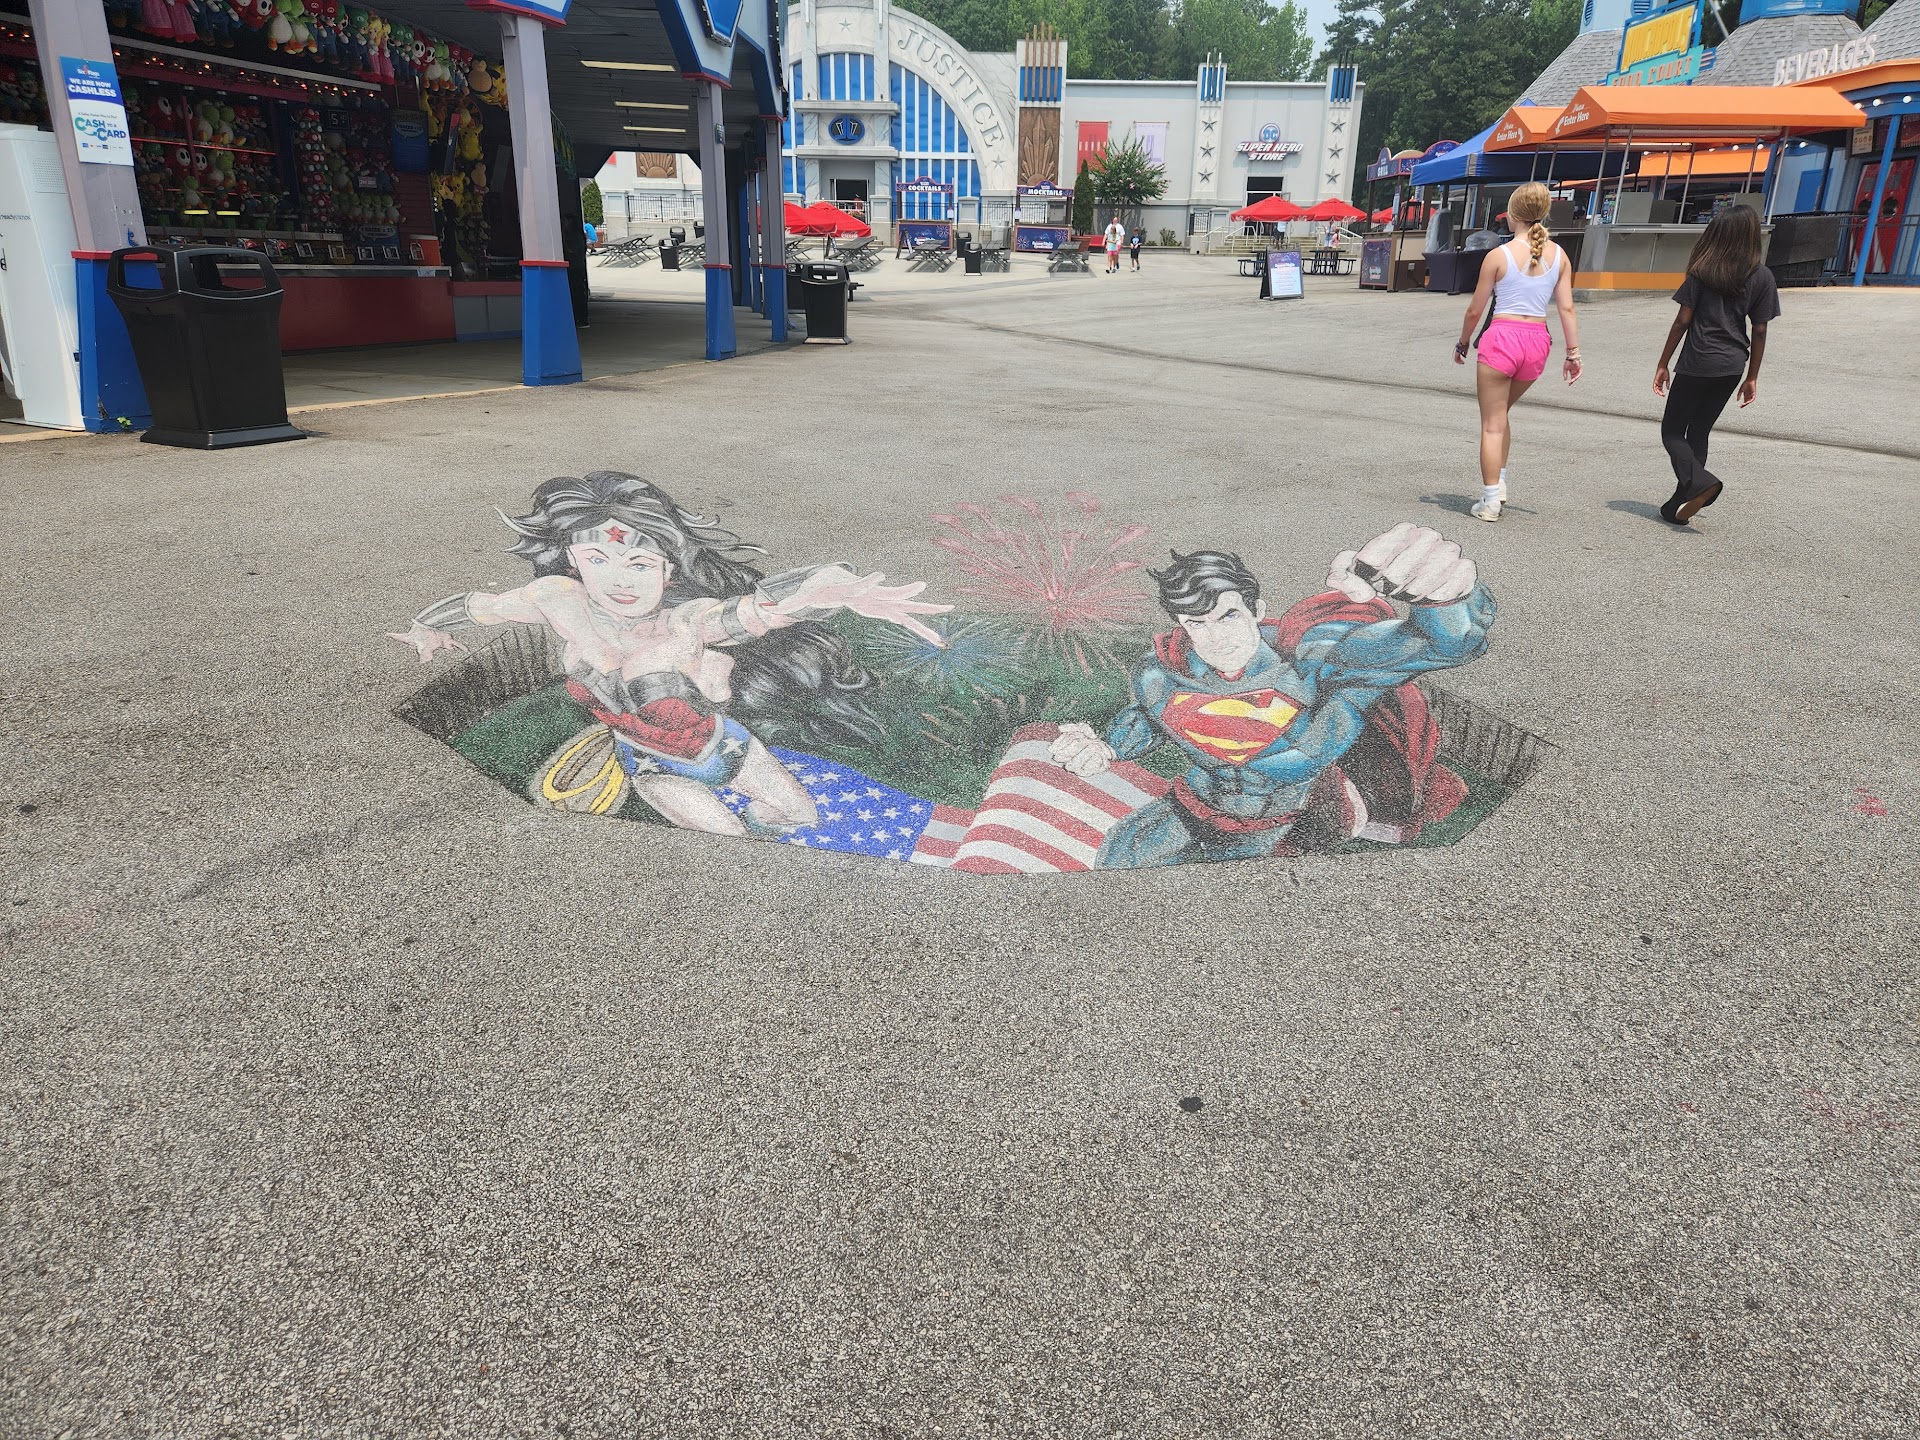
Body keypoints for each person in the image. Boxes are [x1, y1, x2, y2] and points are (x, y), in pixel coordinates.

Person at [389, 472, 948, 837]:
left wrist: (828, 586)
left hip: (729, 751)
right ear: (573, 560)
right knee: (729, 846)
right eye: (598, 559)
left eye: (639, 563)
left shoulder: (686, 622)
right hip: (651, 768)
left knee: (799, 819)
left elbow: (760, 607)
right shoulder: (556, 600)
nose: (619, 580)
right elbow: (477, 605)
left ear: (667, 569)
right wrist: (423, 626)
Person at [1049, 525, 1494, 867]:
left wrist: (1445, 601)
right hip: (1193, 806)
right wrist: (1106, 746)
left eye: (1227, 616)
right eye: (1196, 623)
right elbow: (1149, 718)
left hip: (1284, 823)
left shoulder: (1316, 660)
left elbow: (1438, 645)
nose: (1215, 638)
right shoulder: (1167, 671)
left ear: (1256, 610)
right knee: (1119, 858)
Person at [1453, 182, 1583, 523]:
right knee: (1502, 414)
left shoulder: (1499, 256)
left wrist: (1463, 342)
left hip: (1502, 340)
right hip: (1537, 342)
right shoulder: (1560, 256)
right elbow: (1567, 308)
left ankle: (1490, 500)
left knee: (1492, 424)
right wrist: (1573, 353)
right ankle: (1501, 482)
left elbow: (1475, 310)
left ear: (1513, 215)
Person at [1652, 206, 1779, 526]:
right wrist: (1752, 377)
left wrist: (1663, 362)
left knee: (1672, 432)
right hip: (1732, 366)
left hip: (1698, 360)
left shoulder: (1702, 271)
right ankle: (1678, 504)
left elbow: (1683, 320)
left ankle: (1701, 482)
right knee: (1699, 431)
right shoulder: (1762, 276)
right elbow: (1760, 329)